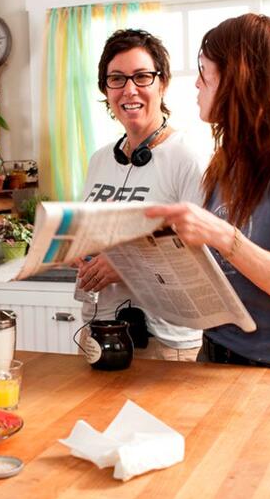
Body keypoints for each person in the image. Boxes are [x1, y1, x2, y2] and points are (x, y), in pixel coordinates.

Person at [145, 13, 270, 369]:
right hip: (218, 352)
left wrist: (220, 233)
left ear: (239, 77)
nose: (197, 84)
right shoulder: (229, 159)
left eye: (204, 71)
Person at [76, 29, 208, 361]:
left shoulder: (188, 157)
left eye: (142, 77)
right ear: (105, 90)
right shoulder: (100, 160)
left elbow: (201, 257)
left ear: (162, 83)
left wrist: (125, 265)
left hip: (164, 341)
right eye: (117, 79)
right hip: (98, 329)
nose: (129, 89)